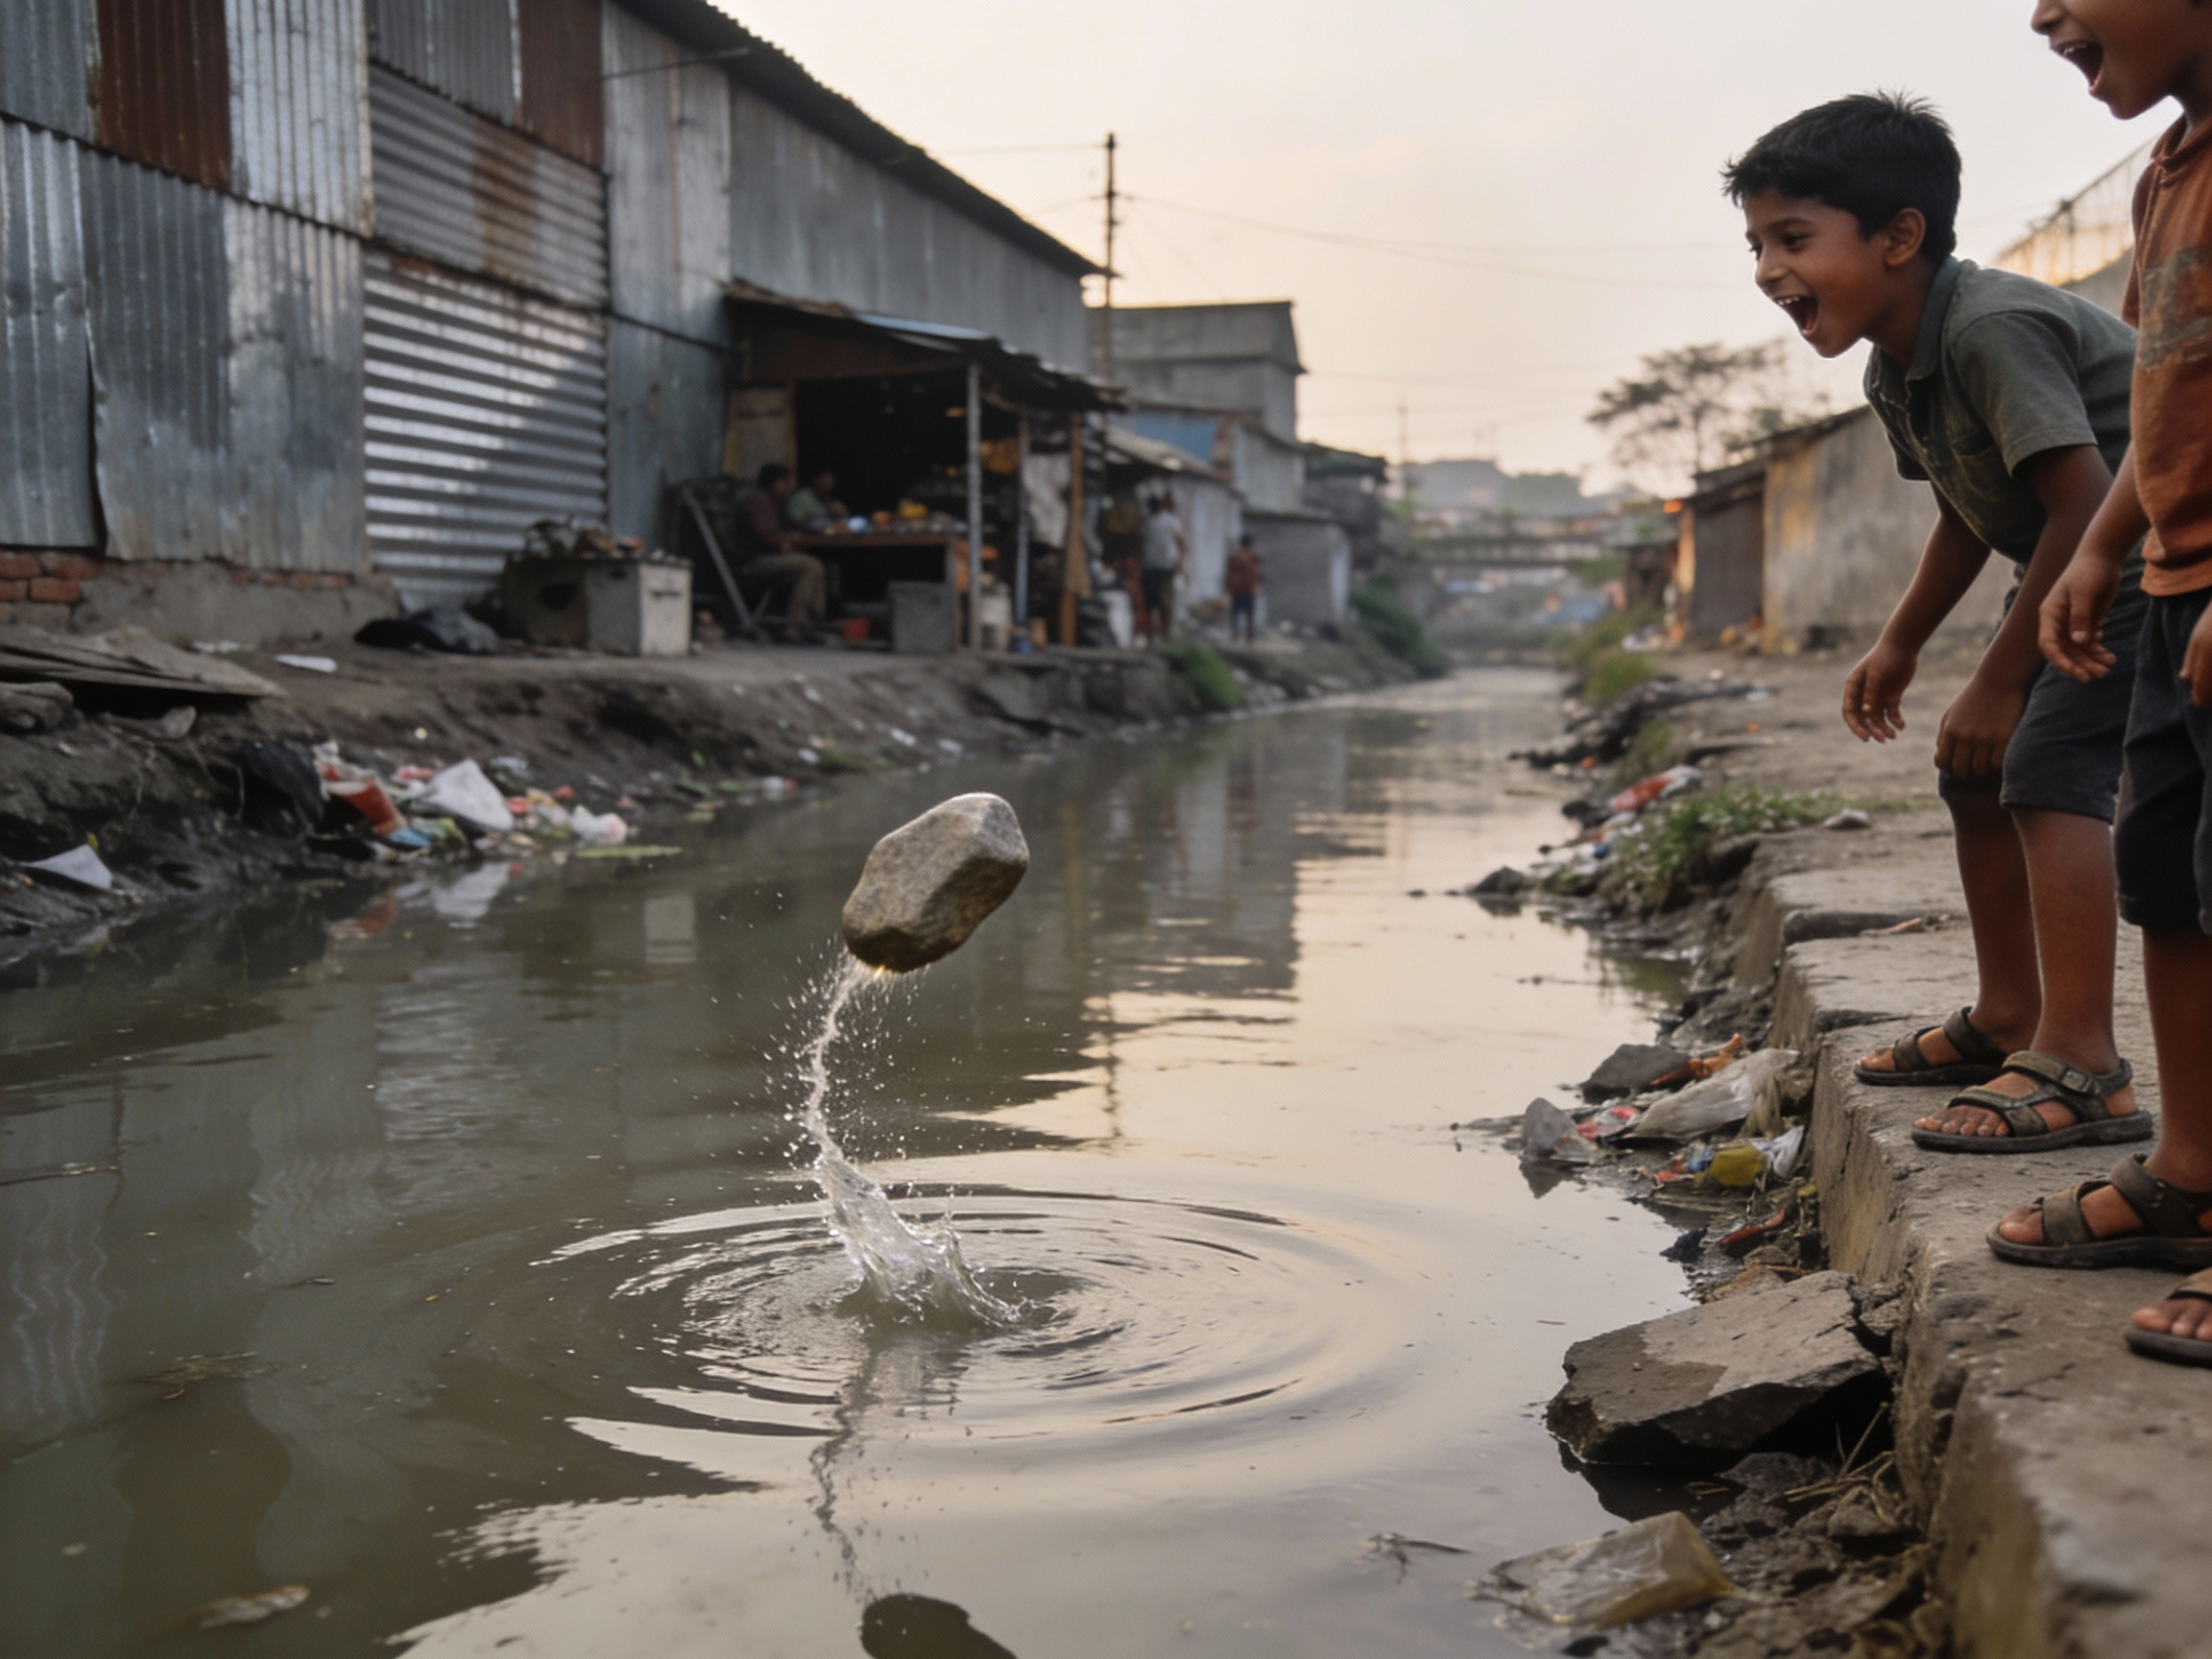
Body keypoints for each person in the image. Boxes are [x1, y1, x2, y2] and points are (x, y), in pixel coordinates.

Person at [1726, 94, 2147, 1158]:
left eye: (1793, 240)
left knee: (2047, 769)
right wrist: (1903, 641)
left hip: (2146, 555)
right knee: (1975, 772)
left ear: (1899, 236)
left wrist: (2000, 679)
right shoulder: (1893, 362)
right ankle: (2009, 1014)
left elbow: (2086, 500)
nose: (1769, 270)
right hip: (2079, 567)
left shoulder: (1991, 327)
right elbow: (1969, 508)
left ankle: (2082, 1061)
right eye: (1757, 245)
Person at [1985, 0, 2212, 1369]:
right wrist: (2107, 551)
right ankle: (2191, 1173)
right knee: (2173, 879)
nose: (2043, 13)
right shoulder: (2170, 173)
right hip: (2178, 588)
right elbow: (2168, 402)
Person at [734, 463, 827, 634]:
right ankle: (795, 626)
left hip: (771, 556)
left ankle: (815, 621)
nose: (788, 487)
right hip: (755, 561)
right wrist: (788, 540)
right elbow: (766, 536)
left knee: (818, 566)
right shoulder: (757, 500)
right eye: (784, 482)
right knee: (811, 566)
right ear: (774, 482)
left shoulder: (776, 502)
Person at [1140, 494, 1186, 640]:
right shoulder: (1146, 521)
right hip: (1149, 566)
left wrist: (1179, 560)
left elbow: (1182, 542)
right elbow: (1138, 541)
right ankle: (1151, 635)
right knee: (1150, 602)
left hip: (1166, 567)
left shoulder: (1171, 521)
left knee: (1165, 603)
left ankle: (1166, 635)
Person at [1226, 533, 1263, 641]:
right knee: (1250, 613)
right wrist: (1258, 585)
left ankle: (1234, 634)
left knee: (1235, 612)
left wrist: (1229, 586)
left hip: (1237, 588)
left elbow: (1231, 572)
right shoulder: (1254, 557)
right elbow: (1258, 573)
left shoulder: (1236, 556)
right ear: (1250, 544)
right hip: (1249, 589)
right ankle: (1249, 635)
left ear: (1241, 543)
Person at [784, 469, 847, 533]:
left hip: (825, 537)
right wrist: (823, 513)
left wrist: (840, 514)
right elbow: (794, 520)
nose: (828, 484)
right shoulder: (802, 496)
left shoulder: (828, 500)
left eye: (831, 480)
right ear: (816, 479)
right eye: (825, 479)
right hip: (803, 537)